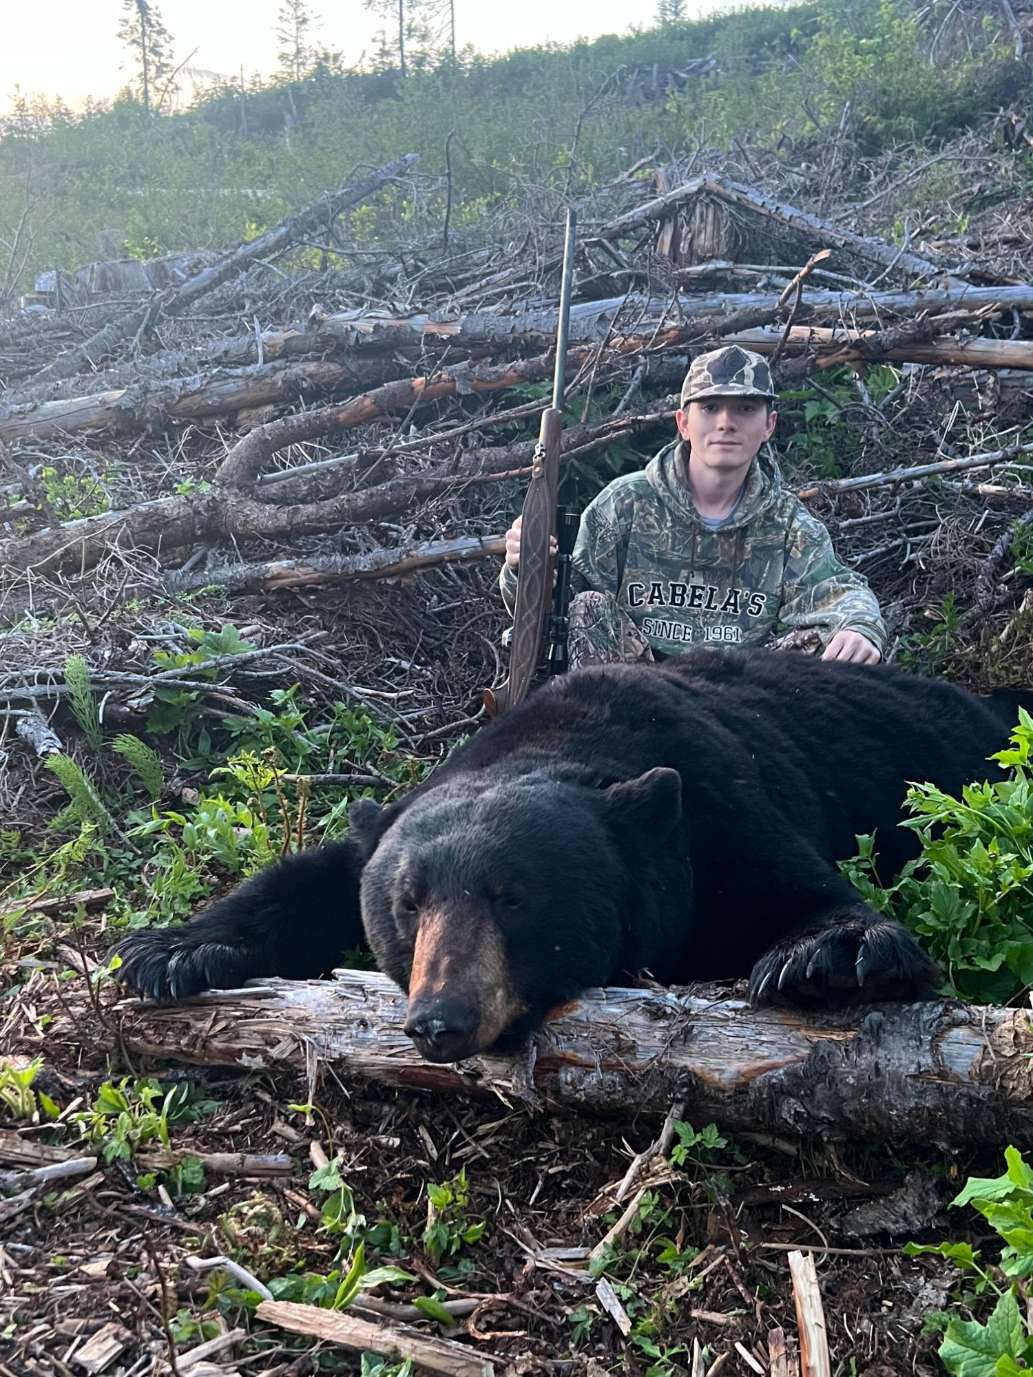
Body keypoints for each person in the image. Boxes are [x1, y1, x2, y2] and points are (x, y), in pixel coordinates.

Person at [500, 344, 886, 669]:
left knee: (826, 645)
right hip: (628, 694)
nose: (726, 423)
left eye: (745, 409)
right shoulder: (625, 503)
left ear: (769, 425)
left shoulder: (788, 524)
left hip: (734, 700)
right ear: (683, 422)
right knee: (587, 607)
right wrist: (530, 563)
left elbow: (840, 591)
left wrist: (857, 627)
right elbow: (559, 606)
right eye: (710, 407)